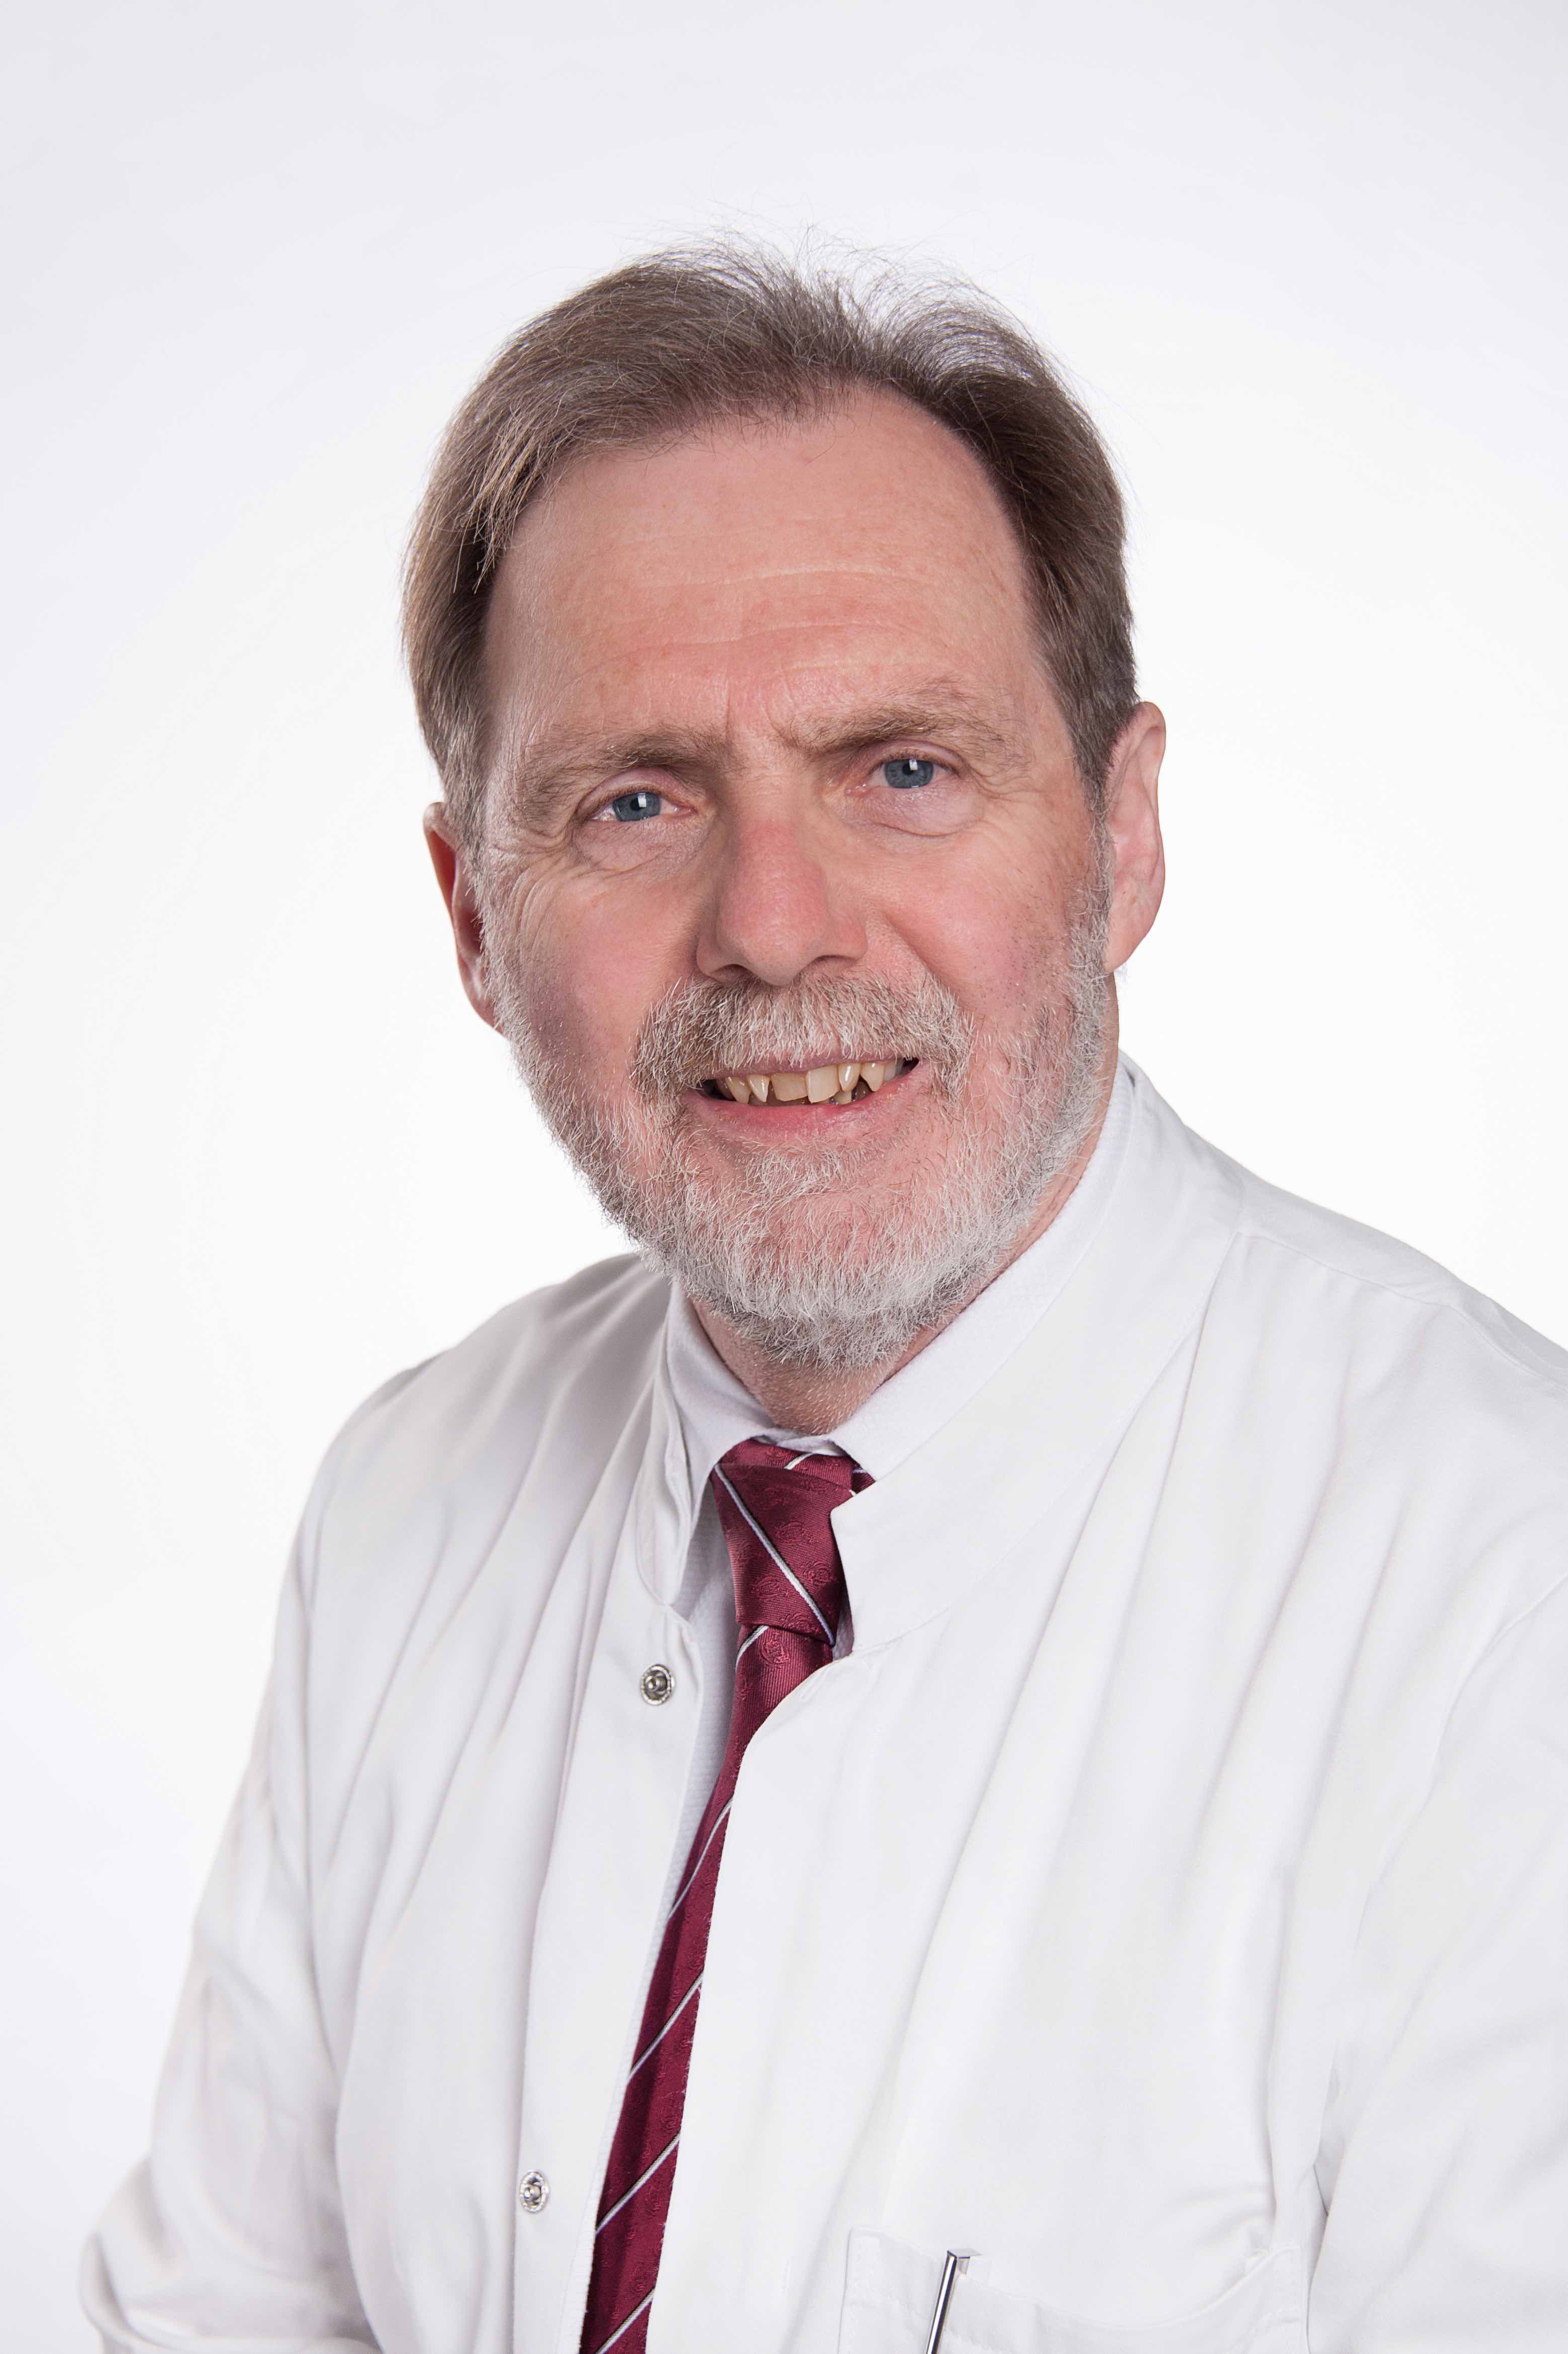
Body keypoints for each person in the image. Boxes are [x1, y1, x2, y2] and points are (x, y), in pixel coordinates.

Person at [83, 245, 1567, 2354]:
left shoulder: (1500, 1593)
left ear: (1122, 834)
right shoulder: (410, 1500)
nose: (773, 928)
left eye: (901, 768)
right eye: (634, 800)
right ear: (472, 915)